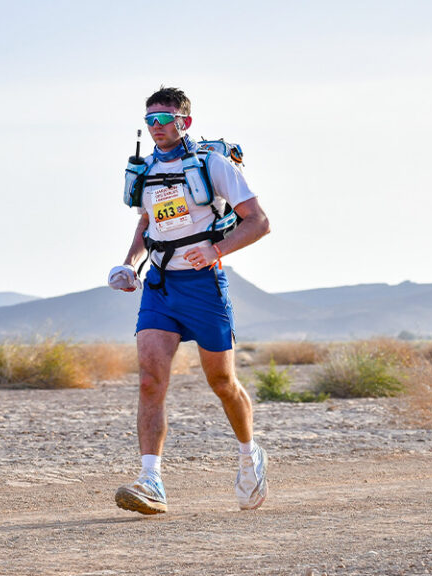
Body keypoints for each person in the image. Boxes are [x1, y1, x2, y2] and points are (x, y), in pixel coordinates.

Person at [107, 86, 271, 515]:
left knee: (221, 383)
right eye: (150, 120)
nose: (156, 127)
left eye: (164, 119)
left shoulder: (212, 164)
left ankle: (248, 454)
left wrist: (216, 251)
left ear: (185, 122)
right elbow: (147, 224)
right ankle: (151, 481)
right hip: (161, 286)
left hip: (204, 285)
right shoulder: (145, 171)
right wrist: (128, 264)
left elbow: (258, 222)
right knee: (149, 380)